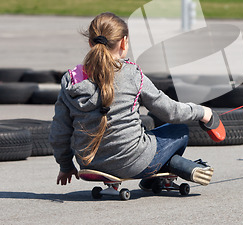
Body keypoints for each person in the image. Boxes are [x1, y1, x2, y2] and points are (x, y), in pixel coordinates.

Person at [49, 12, 222, 189]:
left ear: (90, 43)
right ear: (124, 43)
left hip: (89, 165)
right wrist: (203, 112)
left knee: (146, 134)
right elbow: (171, 112)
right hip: (133, 164)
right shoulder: (132, 74)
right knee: (179, 130)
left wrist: (66, 166)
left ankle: (164, 170)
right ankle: (164, 172)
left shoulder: (71, 80)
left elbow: (59, 130)